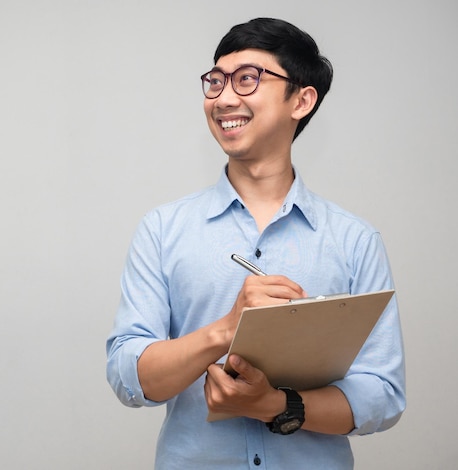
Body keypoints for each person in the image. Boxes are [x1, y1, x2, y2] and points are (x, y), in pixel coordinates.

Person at [106, 17, 405, 469]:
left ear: (301, 100)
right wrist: (226, 330)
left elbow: (381, 394)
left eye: (247, 79)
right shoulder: (162, 229)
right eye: (215, 81)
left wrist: (274, 404)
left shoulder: (354, 240)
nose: (224, 98)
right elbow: (129, 376)